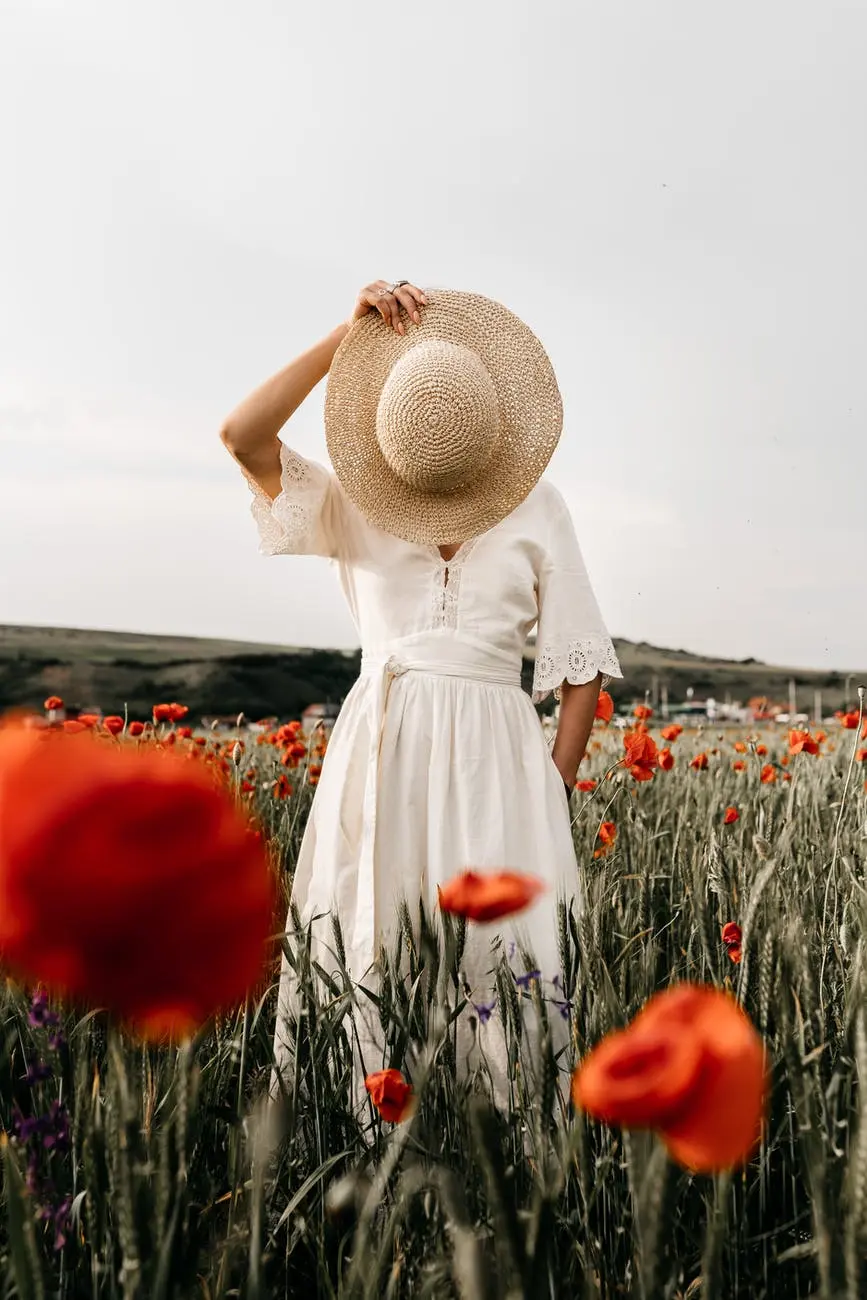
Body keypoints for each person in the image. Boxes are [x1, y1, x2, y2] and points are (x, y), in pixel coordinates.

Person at [220, 279, 623, 1106]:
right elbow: (241, 435)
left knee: (499, 961)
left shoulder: (538, 507)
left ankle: (500, 1162)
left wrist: (552, 784)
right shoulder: (354, 499)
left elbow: (580, 665)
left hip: (501, 765)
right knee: (375, 942)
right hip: (384, 744)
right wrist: (346, 338)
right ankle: (375, 1143)